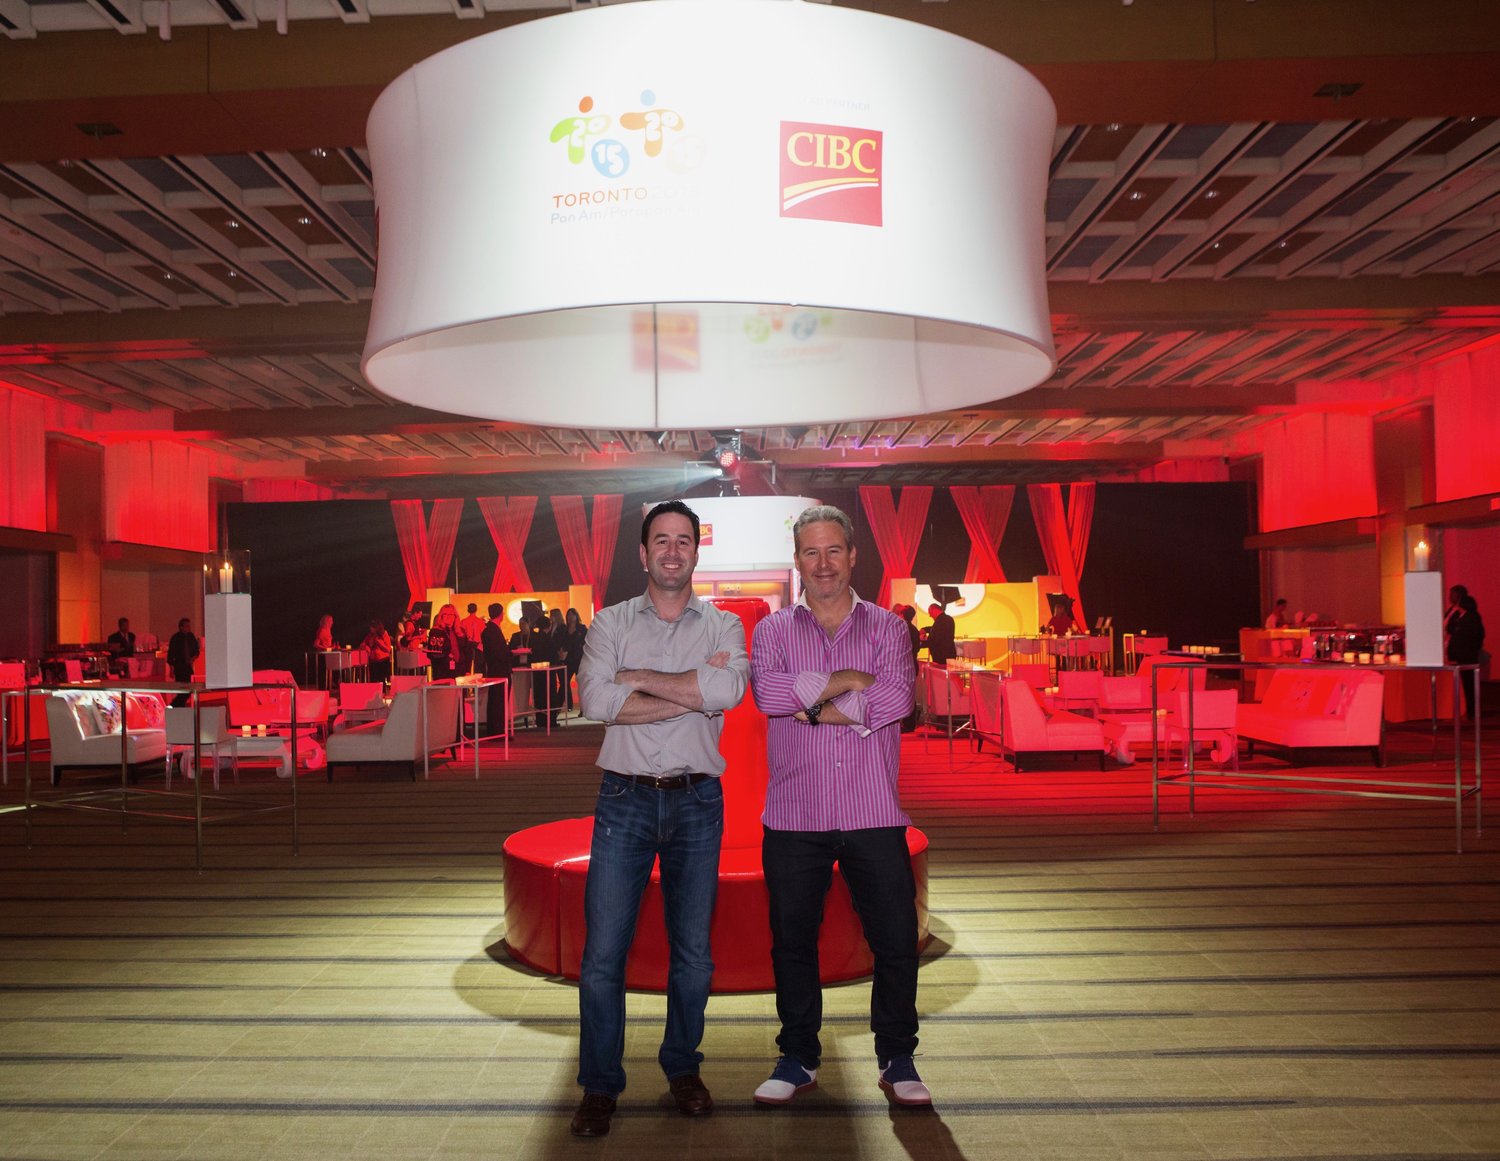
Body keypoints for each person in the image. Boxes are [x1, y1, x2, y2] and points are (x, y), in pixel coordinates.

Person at [570, 500, 750, 1138]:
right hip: (624, 799)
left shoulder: (725, 624)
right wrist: (693, 693)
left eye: (684, 541)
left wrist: (640, 679)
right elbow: (596, 700)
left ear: (697, 552)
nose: (673, 551)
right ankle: (600, 1084)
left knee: (693, 955)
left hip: (699, 802)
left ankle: (682, 1067)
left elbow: (729, 692)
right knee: (603, 955)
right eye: (661, 541)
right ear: (643, 553)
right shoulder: (610, 621)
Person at [747, 504, 929, 1109]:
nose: (822, 564)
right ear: (797, 561)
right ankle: (798, 1056)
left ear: (852, 556)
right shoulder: (773, 630)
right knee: (792, 942)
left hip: (872, 811)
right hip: (793, 815)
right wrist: (851, 679)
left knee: (895, 940)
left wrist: (811, 705)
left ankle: (897, 1057)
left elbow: (896, 699)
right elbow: (768, 694)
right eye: (811, 552)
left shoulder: (888, 628)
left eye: (833, 551)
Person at [1446, 591, 1485, 722]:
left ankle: (1472, 710)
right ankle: (1469, 709)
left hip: (1467, 655)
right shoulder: (1460, 616)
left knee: (1469, 684)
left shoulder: (1471, 618)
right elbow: (1450, 629)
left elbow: (1477, 635)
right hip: (1460, 655)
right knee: (1465, 683)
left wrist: (1471, 648)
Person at [480, 602, 514, 737]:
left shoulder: (489, 630)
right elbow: (498, 653)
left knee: (495, 700)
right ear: (501, 614)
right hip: (500, 670)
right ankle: (497, 731)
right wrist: (510, 654)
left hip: (495, 670)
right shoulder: (493, 631)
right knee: (499, 701)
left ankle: (495, 730)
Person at [520, 614, 558, 727]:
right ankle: (550, 720)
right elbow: (553, 655)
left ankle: (540, 720)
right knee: (549, 695)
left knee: (539, 695)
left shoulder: (534, 638)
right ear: (549, 626)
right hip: (548, 670)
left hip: (536, 671)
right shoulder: (548, 639)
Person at [897, 605, 920, 733]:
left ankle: (907, 724)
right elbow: (917, 648)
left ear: (902, 614)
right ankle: (909, 723)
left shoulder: (900, 628)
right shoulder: (914, 629)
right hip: (912, 664)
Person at [166, 618, 199, 707]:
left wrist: (193, 658)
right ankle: (176, 706)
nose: (189, 628)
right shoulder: (175, 638)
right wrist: (172, 668)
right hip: (179, 666)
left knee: (190, 688)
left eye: (189, 626)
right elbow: (171, 653)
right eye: (186, 626)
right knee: (182, 689)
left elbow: (196, 650)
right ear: (181, 627)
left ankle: (174, 705)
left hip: (188, 666)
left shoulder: (191, 636)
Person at [425, 604, 461, 681]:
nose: (448, 617)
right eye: (445, 614)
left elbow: (465, 652)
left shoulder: (459, 632)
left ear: (455, 616)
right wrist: (447, 656)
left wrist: (467, 670)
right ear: (441, 616)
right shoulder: (436, 632)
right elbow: (432, 654)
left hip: (459, 672)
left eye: (451, 614)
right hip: (442, 672)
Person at [563, 607, 588, 714]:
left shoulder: (582, 629)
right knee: (565, 682)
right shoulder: (564, 629)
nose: (570, 617)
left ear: (576, 616)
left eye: (572, 614)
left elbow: (587, 641)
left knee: (581, 684)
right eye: (568, 615)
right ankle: (569, 705)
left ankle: (583, 707)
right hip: (568, 659)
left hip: (579, 659)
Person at [921, 601, 957, 666]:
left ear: (935, 610)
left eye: (930, 613)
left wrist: (921, 643)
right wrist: (925, 629)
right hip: (946, 654)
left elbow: (935, 638)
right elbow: (935, 629)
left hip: (943, 656)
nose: (930, 616)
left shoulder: (942, 621)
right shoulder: (945, 619)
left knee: (943, 671)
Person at [457, 603, 485, 675]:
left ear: (468, 610)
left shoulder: (463, 622)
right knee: (478, 669)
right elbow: (483, 636)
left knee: (467, 668)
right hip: (478, 647)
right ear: (476, 610)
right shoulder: (481, 622)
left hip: (467, 647)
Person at [363, 620, 393, 684]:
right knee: (373, 680)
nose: (370, 629)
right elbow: (365, 644)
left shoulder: (384, 635)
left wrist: (379, 643)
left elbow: (388, 649)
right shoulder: (370, 636)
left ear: (376, 628)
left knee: (381, 680)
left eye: (372, 627)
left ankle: (383, 690)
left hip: (383, 661)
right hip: (373, 661)